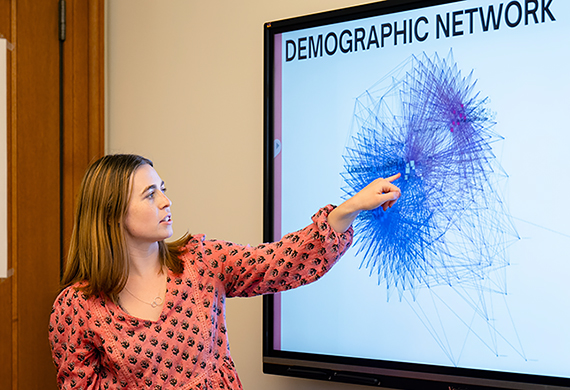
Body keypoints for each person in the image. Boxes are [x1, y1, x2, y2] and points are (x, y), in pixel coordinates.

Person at [48, 154, 401, 390]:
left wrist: (352, 206)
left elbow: (282, 262)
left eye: (164, 190)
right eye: (149, 194)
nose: (166, 202)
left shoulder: (200, 261)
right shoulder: (76, 309)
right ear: (112, 213)